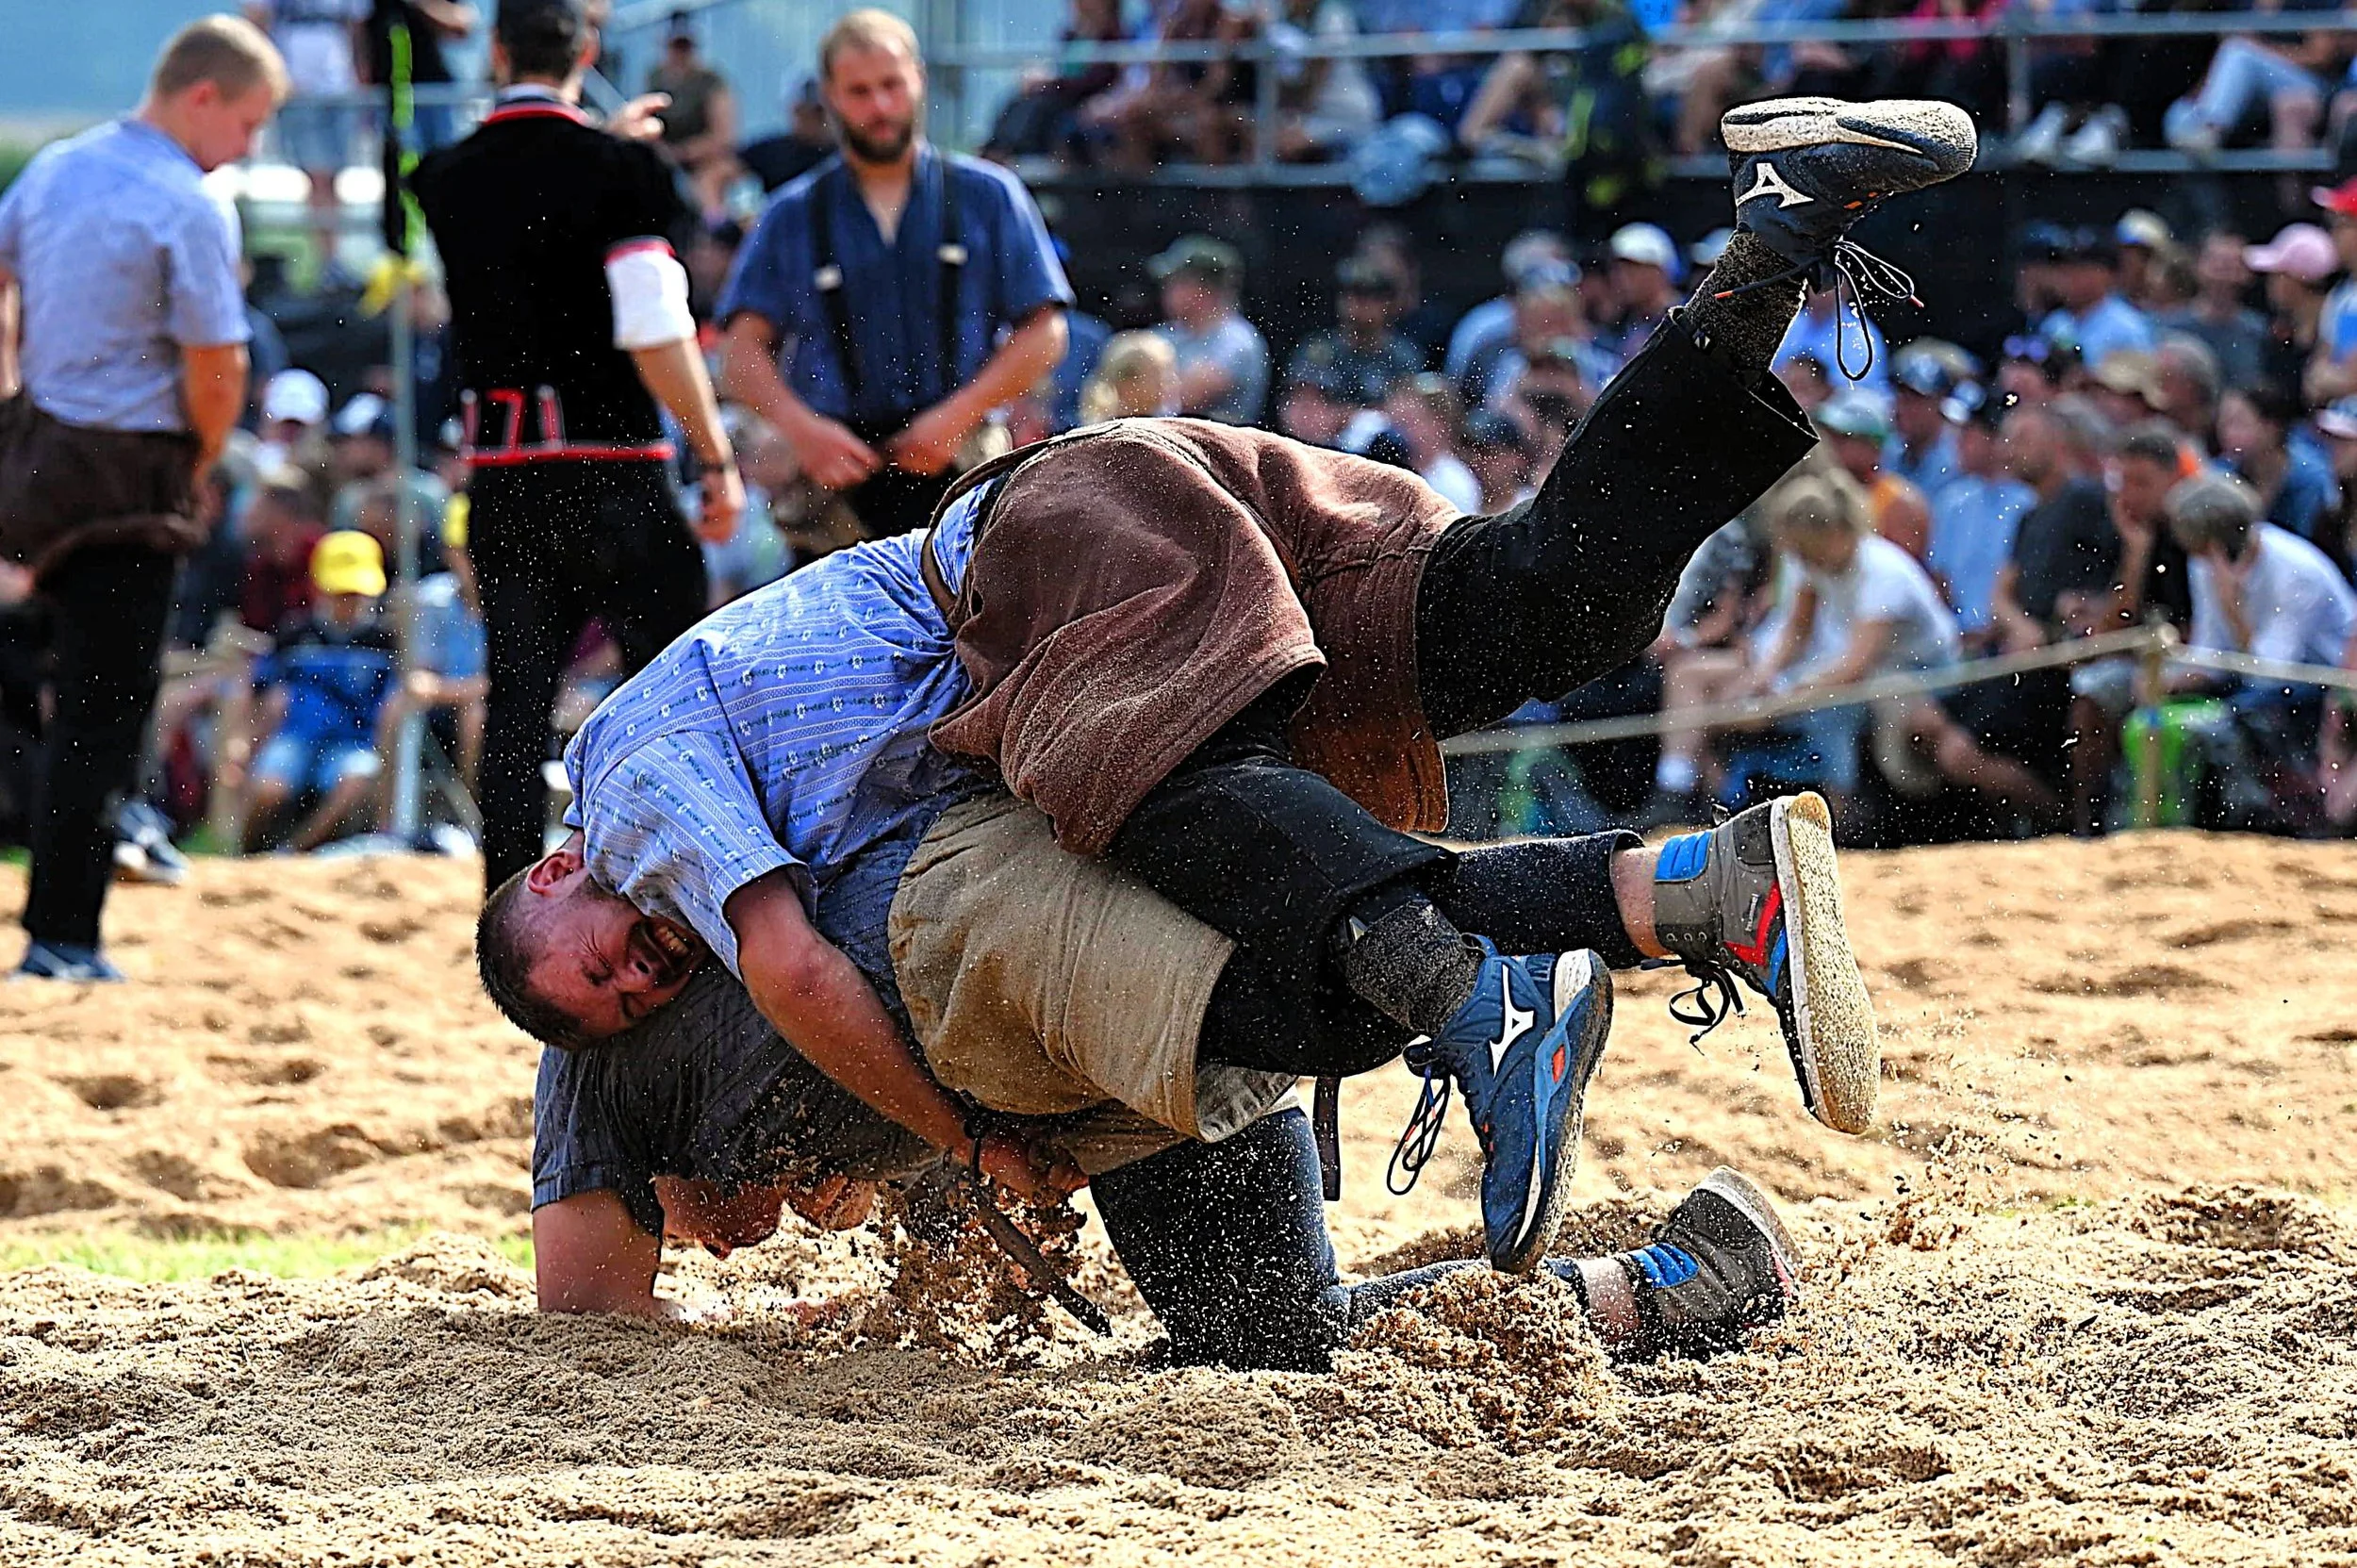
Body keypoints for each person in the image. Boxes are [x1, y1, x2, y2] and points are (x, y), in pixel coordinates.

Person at [480, 96, 1976, 1271]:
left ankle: (1496, 988)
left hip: (1040, 555)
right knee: (1548, 608)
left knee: (1157, 798)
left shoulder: (625, 779)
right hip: (1138, 562)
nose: (637, 978)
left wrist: (969, 1148)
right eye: (622, 1005)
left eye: (597, 964)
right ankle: (1772, 248)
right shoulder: (729, 904)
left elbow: (800, 972)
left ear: (557, 871)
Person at [534, 957, 1802, 1372]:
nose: (721, 1246)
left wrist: (737, 1323)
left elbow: (587, 1309)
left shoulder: (596, 1070)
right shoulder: (732, 1031)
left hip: (1131, 1016)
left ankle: (1680, 1278)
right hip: (1098, 1015)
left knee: (1279, 1338)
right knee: (1227, 1335)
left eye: (683, 1228)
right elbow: (993, 1276)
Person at [410, 0, 744, 894]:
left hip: (504, 473)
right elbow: (651, 322)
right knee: (669, 701)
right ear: (588, 50)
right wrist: (714, 453)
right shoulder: (620, 169)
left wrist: (606, 148)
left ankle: (511, 918)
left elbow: (531, 204)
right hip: (615, 467)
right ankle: (677, 899)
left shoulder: (444, 176)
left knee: (516, 708)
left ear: (496, 50)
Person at [0, 17, 288, 981]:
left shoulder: (55, 168)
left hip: (38, 458)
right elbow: (217, 365)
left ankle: (107, 838)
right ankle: (65, 933)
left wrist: (15, 395)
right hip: (133, 468)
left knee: (48, 684)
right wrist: (198, 460)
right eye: (247, 122)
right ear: (202, 95)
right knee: (105, 705)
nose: (247, 145)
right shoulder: (187, 202)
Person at [717, 10, 1072, 541]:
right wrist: (802, 430)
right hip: (832, 477)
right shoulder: (792, 213)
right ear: (831, 96)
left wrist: (957, 417)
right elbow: (741, 352)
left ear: (918, 80)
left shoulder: (989, 195)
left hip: (963, 465)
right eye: (859, 92)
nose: (880, 107)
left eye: (891, 85)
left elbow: (1046, 331)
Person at [231, 529, 398, 850]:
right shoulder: (295, 634)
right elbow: (261, 688)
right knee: (269, 788)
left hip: (353, 742)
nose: (350, 603)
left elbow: (394, 701)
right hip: (296, 737)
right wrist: (243, 743)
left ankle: (297, 850)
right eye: (341, 593)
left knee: (356, 779)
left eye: (357, 594)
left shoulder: (384, 641)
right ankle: (243, 853)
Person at [244, 0, 365, 282]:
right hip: (298, 87)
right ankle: (327, 261)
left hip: (339, 85)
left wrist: (360, 77)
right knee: (317, 174)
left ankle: (334, 260)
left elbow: (356, 27)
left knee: (334, 176)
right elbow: (256, 22)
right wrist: (274, 76)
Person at [1926, 396, 2034, 644]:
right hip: (1958, 641)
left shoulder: (2028, 502)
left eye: (1968, 434)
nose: (1958, 443)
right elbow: (1940, 580)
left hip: (2011, 640)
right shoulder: (1952, 501)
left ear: (1995, 440)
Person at [1148, 236, 1269, 425]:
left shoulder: (1238, 341)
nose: (1166, 290)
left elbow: (1184, 398)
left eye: (1176, 282)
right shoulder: (1165, 334)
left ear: (1206, 289)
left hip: (1215, 443)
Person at [1288, 256, 1426, 410]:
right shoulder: (1318, 351)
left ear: (1387, 303)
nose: (1356, 304)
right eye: (1349, 294)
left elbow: (1408, 415)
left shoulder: (1404, 355)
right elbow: (1302, 413)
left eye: (1368, 296)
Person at [643, 11, 737, 221]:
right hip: (663, 163)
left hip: (704, 165)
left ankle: (714, 230)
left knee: (708, 185)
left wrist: (681, 153)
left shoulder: (712, 82)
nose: (680, 53)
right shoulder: (654, 78)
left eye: (685, 46)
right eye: (675, 46)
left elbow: (723, 137)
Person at [2038, 231, 2154, 371]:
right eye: (2065, 269)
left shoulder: (2127, 327)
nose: (2069, 277)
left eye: (2081, 269)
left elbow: (2141, 379)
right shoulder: (2054, 323)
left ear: (2106, 275)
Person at [1078, 330, 1179, 425]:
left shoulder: (1166, 423)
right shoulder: (1104, 432)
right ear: (1128, 385)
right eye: (1159, 376)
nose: (1170, 382)